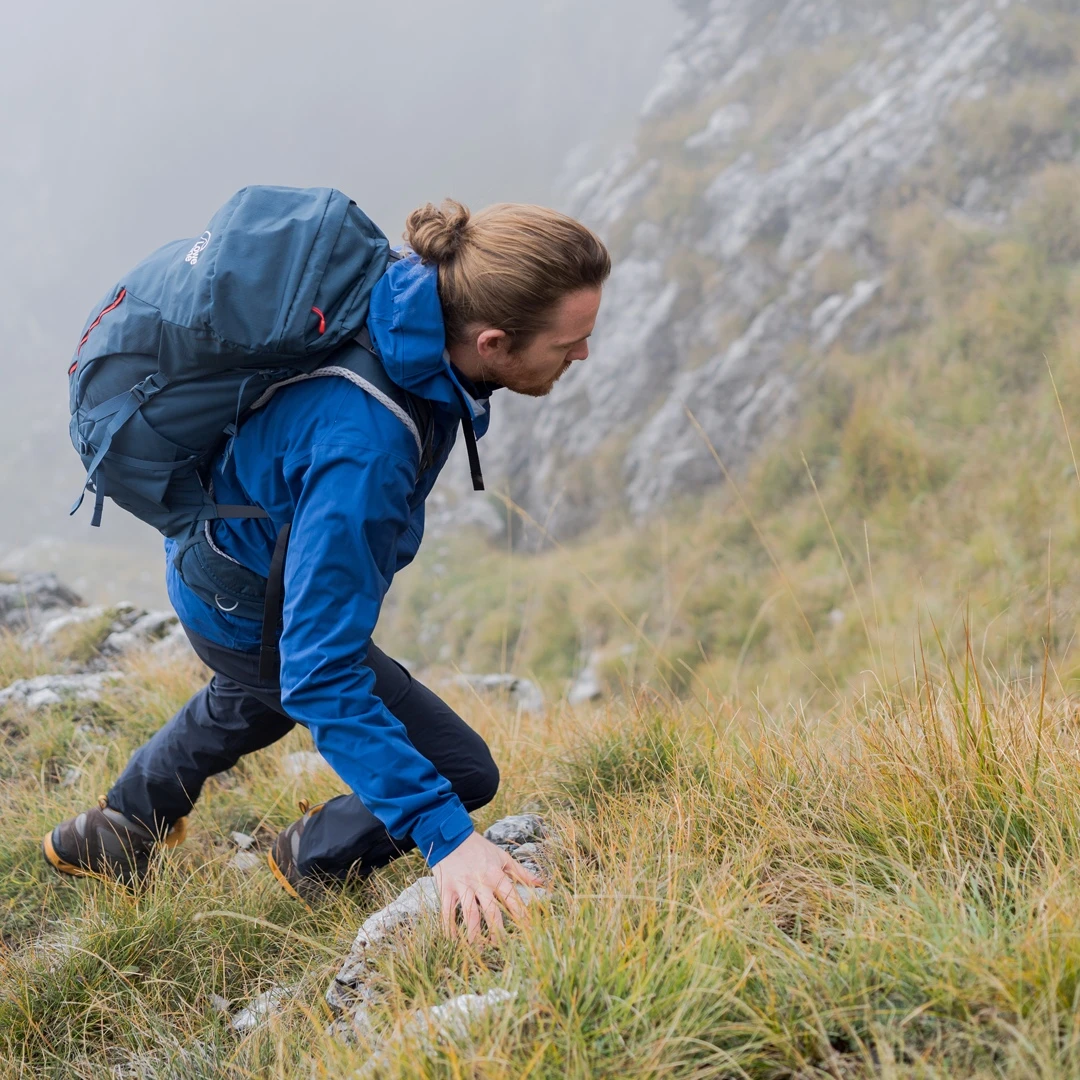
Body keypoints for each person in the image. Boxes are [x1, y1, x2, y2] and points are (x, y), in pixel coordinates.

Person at [43, 198, 610, 942]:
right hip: (248, 602)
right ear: (493, 342)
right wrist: (447, 840)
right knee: (458, 769)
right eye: (570, 342)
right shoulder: (366, 446)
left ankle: (118, 826)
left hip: (221, 563)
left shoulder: (409, 305)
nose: (582, 355)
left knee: (256, 693)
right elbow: (318, 669)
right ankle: (311, 856)